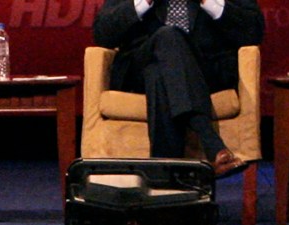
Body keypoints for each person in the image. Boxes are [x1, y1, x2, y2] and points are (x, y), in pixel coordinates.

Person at [93, 0, 264, 177]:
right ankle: (212, 143)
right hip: (139, 70)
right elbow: (102, 33)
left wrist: (210, 2)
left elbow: (253, 31)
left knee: (158, 73)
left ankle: (165, 180)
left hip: (204, 70)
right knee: (168, 36)